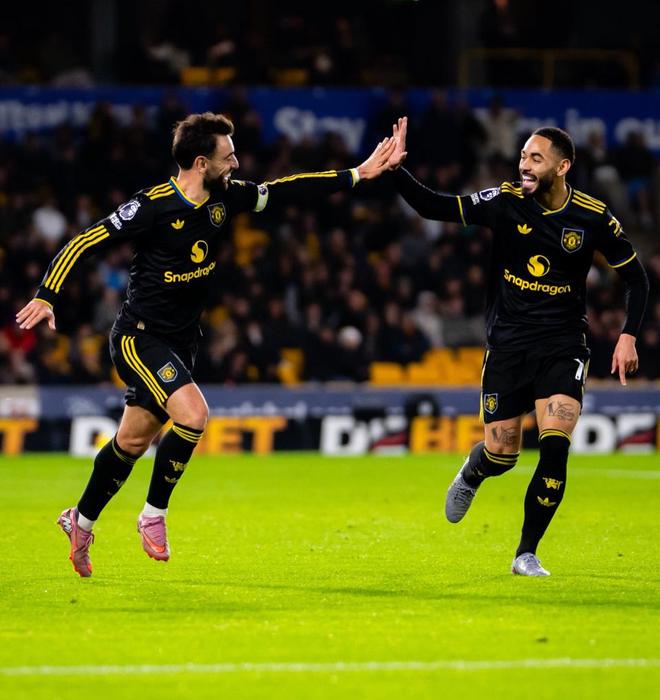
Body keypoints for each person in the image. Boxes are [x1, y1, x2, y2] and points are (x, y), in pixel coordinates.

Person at [16, 112, 396, 577]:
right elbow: (83, 241)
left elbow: (287, 190)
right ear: (201, 163)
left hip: (181, 341)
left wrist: (357, 173)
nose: (235, 163)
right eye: (227, 156)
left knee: (131, 441)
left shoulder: (226, 197)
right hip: (139, 337)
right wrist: (47, 295)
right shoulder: (152, 206)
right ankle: (153, 514)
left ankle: (80, 521)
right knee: (194, 415)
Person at [385, 117, 649, 576]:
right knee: (502, 454)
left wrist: (628, 335)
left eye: (535, 158)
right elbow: (434, 206)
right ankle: (474, 471)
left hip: (563, 345)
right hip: (508, 346)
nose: (524, 164)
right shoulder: (505, 202)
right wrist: (396, 169)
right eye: (523, 156)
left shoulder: (592, 216)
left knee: (555, 445)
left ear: (563, 167)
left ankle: (526, 553)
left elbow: (637, 279)